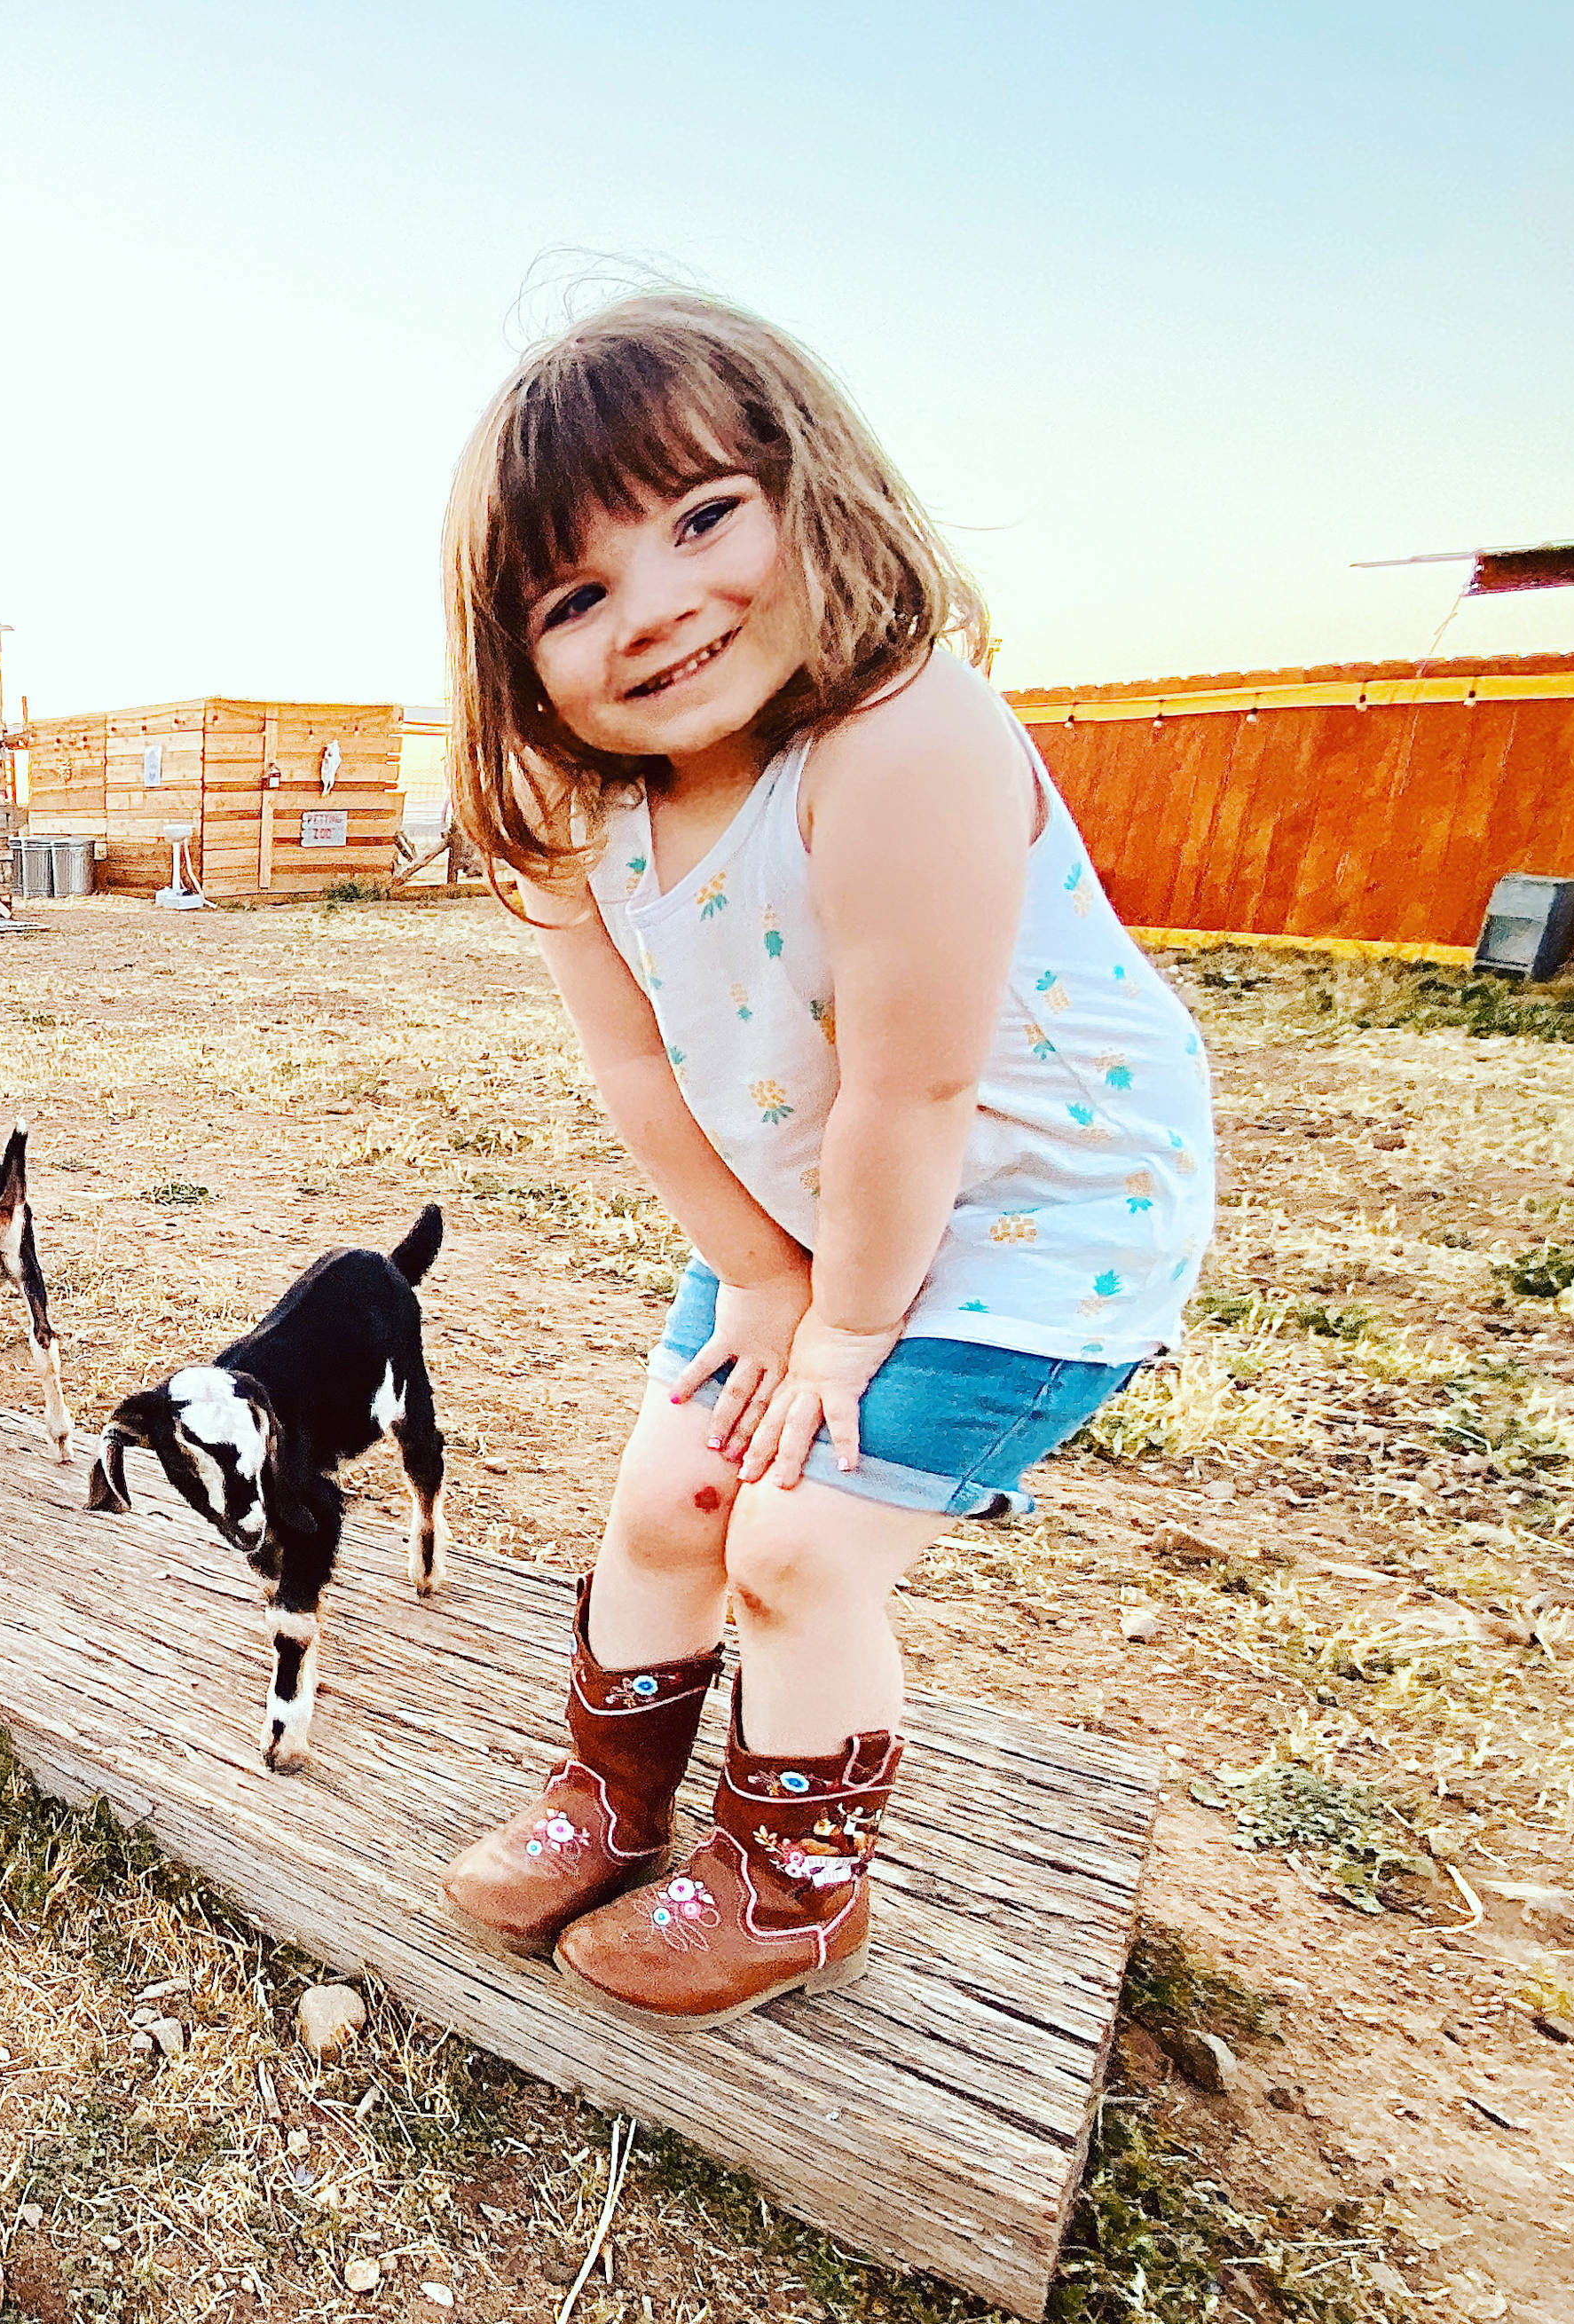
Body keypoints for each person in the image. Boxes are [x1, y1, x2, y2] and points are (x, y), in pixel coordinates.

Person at [433, 291, 1214, 2031]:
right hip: (807, 1209)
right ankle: (605, 1803)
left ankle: (793, 1883)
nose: (658, 608)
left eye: (704, 517)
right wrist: (775, 1279)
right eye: (575, 597)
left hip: (1029, 1212)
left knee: (791, 1541)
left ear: (815, 493)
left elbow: (917, 1095)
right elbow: (643, 1074)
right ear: (520, 661)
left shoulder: (906, 738)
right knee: (667, 1501)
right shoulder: (581, 824)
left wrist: (840, 1337)